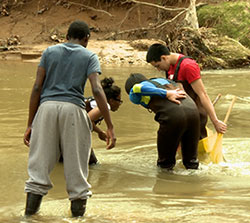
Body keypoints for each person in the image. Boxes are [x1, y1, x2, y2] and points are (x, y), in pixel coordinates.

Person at [23, 20, 116, 218]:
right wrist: (109, 126)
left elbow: (37, 88)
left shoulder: (49, 52)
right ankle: (77, 219)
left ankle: (28, 218)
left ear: (66, 37)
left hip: (46, 109)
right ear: (86, 38)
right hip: (73, 109)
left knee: (38, 168)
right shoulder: (89, 55)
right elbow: (97, 89)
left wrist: (30, 123)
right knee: (77, 171)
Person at [146, 43, 227, 139]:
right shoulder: (170, 66)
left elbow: (203, 95)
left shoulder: (188, 66)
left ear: (164, 58)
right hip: (180, 116)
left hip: (196, 116)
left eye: (158, 66)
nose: (159, 69)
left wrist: (215, 121)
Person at [125, 73, 200, 170]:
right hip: (194, 112)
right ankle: (195, 183)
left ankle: (164, 183)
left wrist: (167, 94)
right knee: (191, 163)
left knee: (165, 165)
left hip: (173, 116)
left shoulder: (137, 89)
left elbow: (136, 88)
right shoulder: (164, 80)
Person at [87, 77, 122, 164]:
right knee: (92, 163)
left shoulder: (94, 101)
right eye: (119, 101)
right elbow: (86, 119)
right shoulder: (105, 105)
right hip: (72, 131)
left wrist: (99, 132)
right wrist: (100, 131)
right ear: (111, 100)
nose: (120, 104)